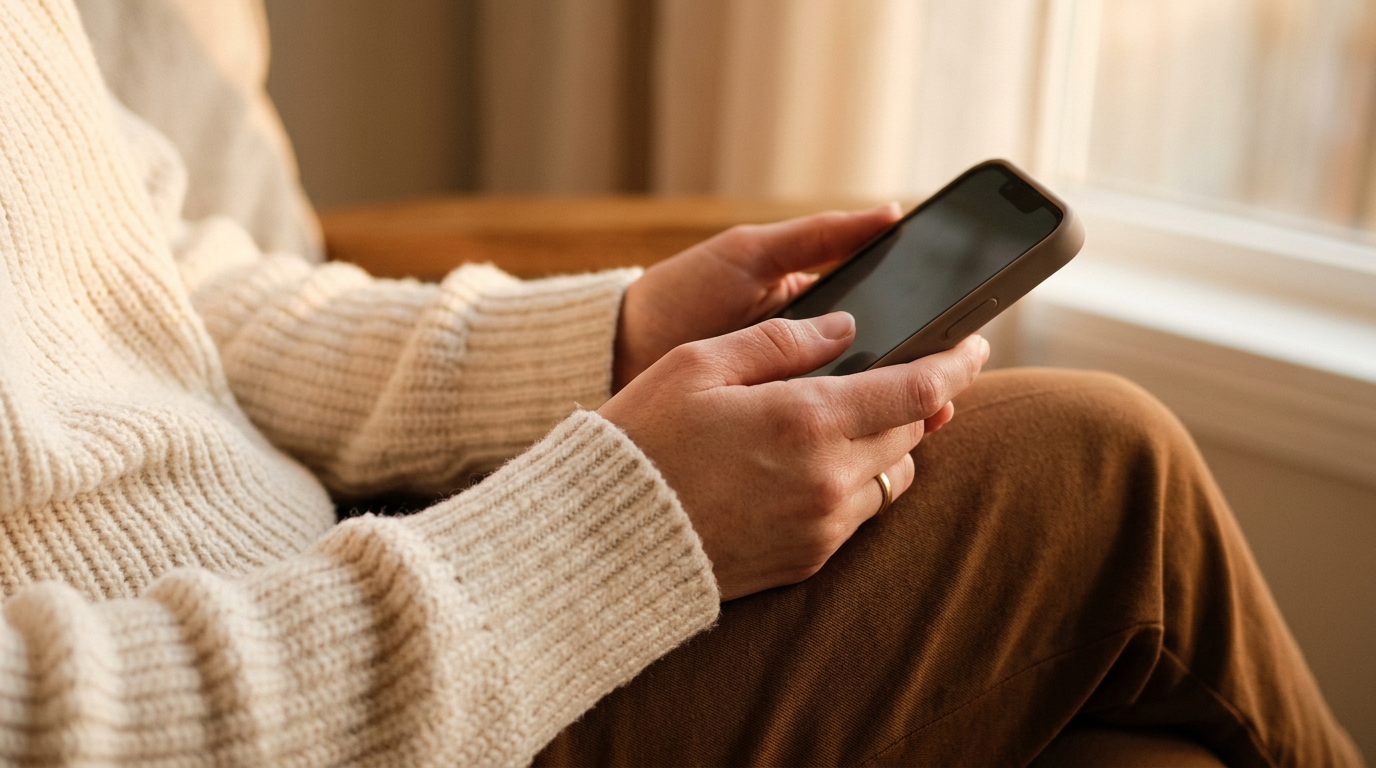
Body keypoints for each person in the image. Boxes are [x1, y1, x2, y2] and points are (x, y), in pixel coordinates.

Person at [0, 1, 1361, 765]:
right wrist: (607, 540)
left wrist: (617, 339)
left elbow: (164, 284)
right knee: (1091, 466)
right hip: (327, 702)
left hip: (356, 550)